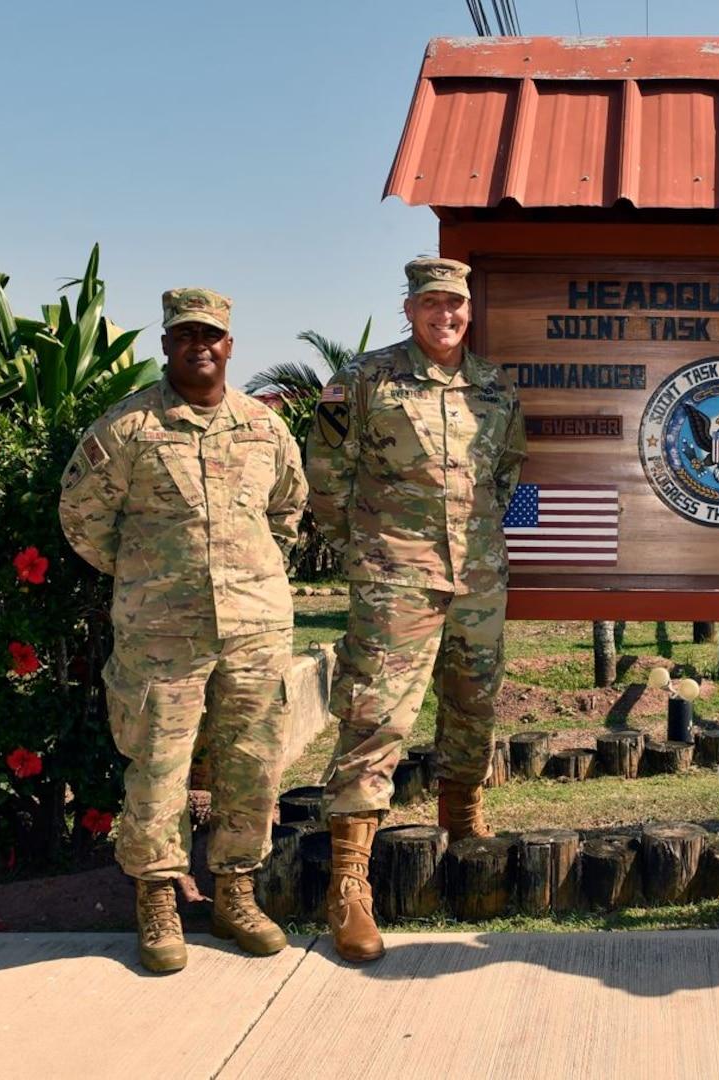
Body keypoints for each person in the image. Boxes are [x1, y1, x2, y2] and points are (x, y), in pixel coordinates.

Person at [59, 288, 307, 973]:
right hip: (160, 630)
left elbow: (288, 509)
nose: (201, 345)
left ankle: (235, 891)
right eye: (186, 335)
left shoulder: (264, 428)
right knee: (158, 764)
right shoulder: (127, 428)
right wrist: (145, 573)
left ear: (230, 345)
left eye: (212, 335)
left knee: (253, 760)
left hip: (255, 625)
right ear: (166, 344)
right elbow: (81, 516)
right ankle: (158, 897)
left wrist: (254, 569)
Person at [306, 257, 526, 962]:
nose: (444, 315)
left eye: (454, 304)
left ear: (469, 311)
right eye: (431, 303)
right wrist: (364, 548)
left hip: (477, 577)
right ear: (409, 309)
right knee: (376, 716)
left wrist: (477, 539)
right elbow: (326, 473)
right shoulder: (365, 380)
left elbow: (506, 469)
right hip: (395, 578)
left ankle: (463, 824)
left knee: (474, 701)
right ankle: (349, 884)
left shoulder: (493, 386)